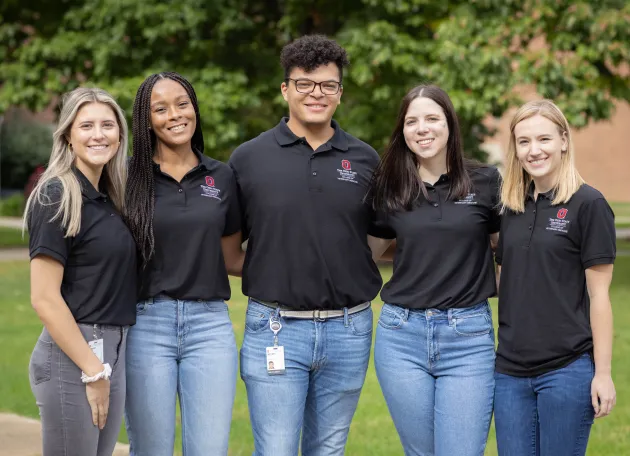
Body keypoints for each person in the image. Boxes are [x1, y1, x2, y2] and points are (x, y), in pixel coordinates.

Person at [228, 35, 388, 456]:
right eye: (304, 84)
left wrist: (339, 264)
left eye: (328, 85)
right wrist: (280, 267)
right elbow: (228, 249)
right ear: (286, 89)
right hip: (275, 328)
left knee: (328, 450)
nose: (316, 94)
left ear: (340, 93)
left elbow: (382, 234)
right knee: (277, 449)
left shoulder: (366, 159)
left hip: (349, 330)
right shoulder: (248, 158)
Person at [368, 85, 500, 456]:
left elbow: (505, 251)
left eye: (431, 119)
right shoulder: (391, 188)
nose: (422, 128)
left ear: (450, 126)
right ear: (403, 131)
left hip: (468, 338)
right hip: (401, 337)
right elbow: (367, 254)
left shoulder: (486, 182)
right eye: (412, 121)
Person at [123, 72, 243, 456]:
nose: (174, 114)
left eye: (182, 103)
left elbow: (231, 258)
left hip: (209, 328)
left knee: (209, 449)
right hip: (146, 325)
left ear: (194, 108)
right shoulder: (126, 177)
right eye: (160, 108)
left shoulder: (221, 176)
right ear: (146, 119)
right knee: (151, 449)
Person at [494, 99, 616, 456]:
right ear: (515, 149)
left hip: (566, 370)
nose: (534, 150)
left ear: (564, 140)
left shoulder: (588, 204)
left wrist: (603, 373)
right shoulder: (510, 207)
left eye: (544, 139)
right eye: (524, 142)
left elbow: (600, 297)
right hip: (510, 373)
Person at [24, 87, 136, 456]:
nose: (98, 134)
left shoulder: (109, 199)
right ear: (68, 136)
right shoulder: (57, 194)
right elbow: (43, 298)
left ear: (120, 135)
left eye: (107, 125)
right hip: (75, 355)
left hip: (112, 350)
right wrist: (93, 369)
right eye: (86, 125)